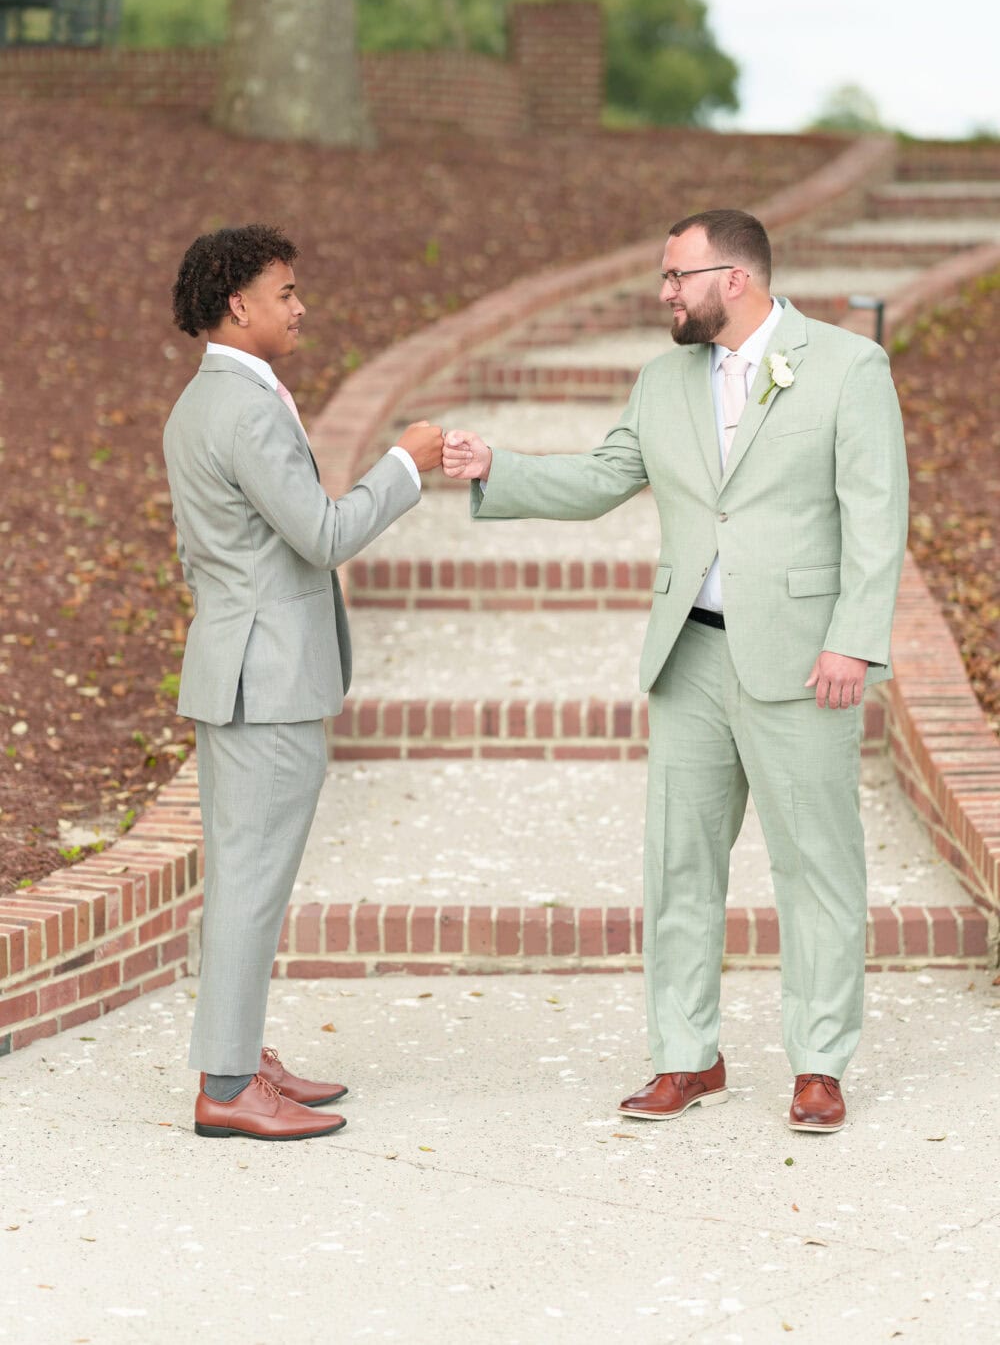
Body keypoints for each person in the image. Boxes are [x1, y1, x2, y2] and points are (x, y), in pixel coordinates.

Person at [443, 209, 908, 1134]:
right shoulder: (661, 381)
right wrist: (498, 467)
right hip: (688, 652)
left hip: (804, 658)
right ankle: (687, 1058)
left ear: (733, 279)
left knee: (816, 865)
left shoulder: (850, 367)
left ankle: (819, 1065)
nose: (663, 294)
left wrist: (854, 638)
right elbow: (603, 477)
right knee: (679, 866)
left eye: (675, 277)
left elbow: (876, 513)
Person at [164, 224, 443, 1141]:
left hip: (236, 668)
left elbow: (201, 555)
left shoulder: (203, 403)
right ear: (238, 303)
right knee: (250, 881)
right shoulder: (243, 409)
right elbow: (322, 535)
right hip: (267, 683)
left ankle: (238, 1051)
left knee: (246, 877)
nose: (300, 305)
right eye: (286, 291)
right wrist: (408, 464)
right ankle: (230, 1084)